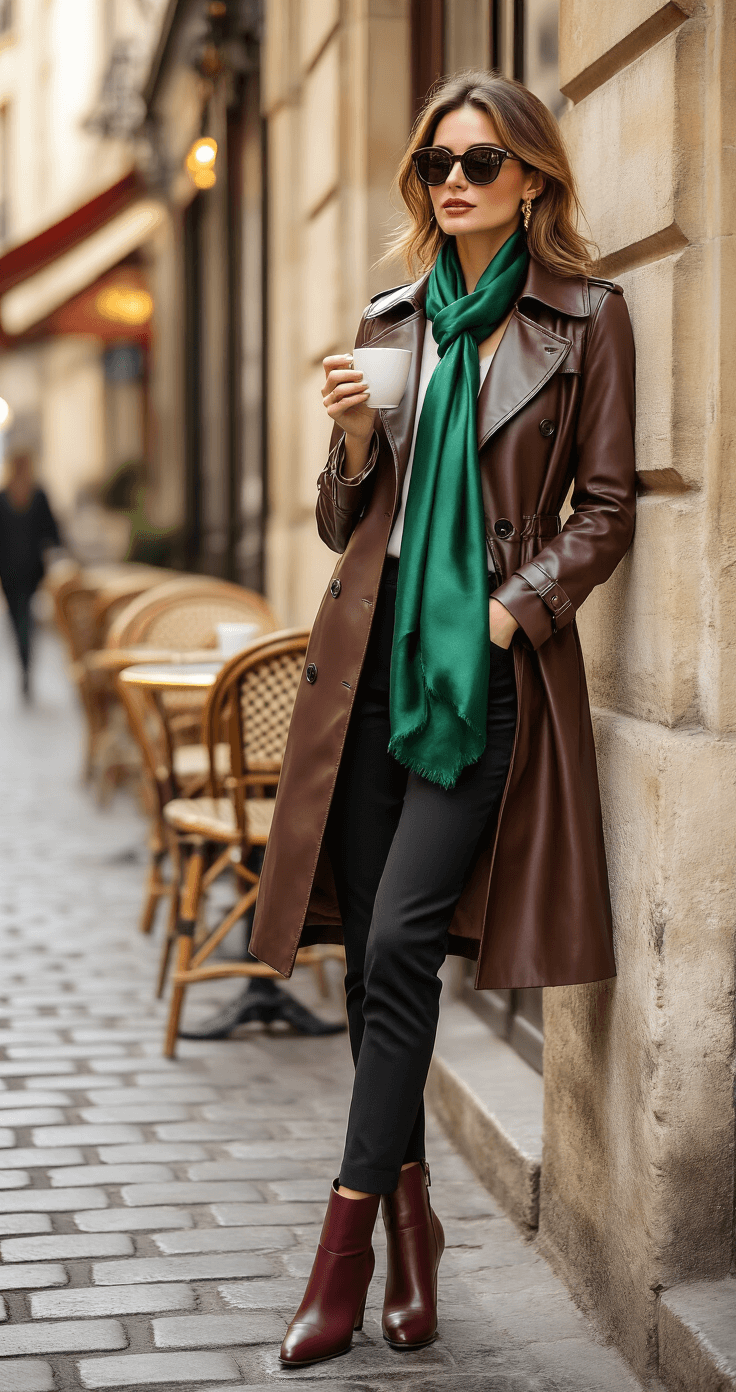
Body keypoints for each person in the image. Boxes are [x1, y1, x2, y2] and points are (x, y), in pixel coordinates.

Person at [249, 71, 636, 1367]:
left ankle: (346, 1243)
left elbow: (608, 507)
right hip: (365, 675)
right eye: (434, 163)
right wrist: (353, 445)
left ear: (531, 179)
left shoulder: (586, 320)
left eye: (479, 161)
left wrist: (509, 611)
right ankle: (417, 1226)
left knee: (405, 942)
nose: (452, 180)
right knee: (370, 965)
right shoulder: (391, 319)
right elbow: (337, 523)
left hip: (480, 684)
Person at [0, 452, 61, 699]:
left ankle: (27, 666)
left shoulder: (39, 495)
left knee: (27, 619)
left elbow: (53, 531)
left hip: (33, 572)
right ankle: (24, 664)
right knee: (17, 619)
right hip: (9, 572)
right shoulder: (3, 497)